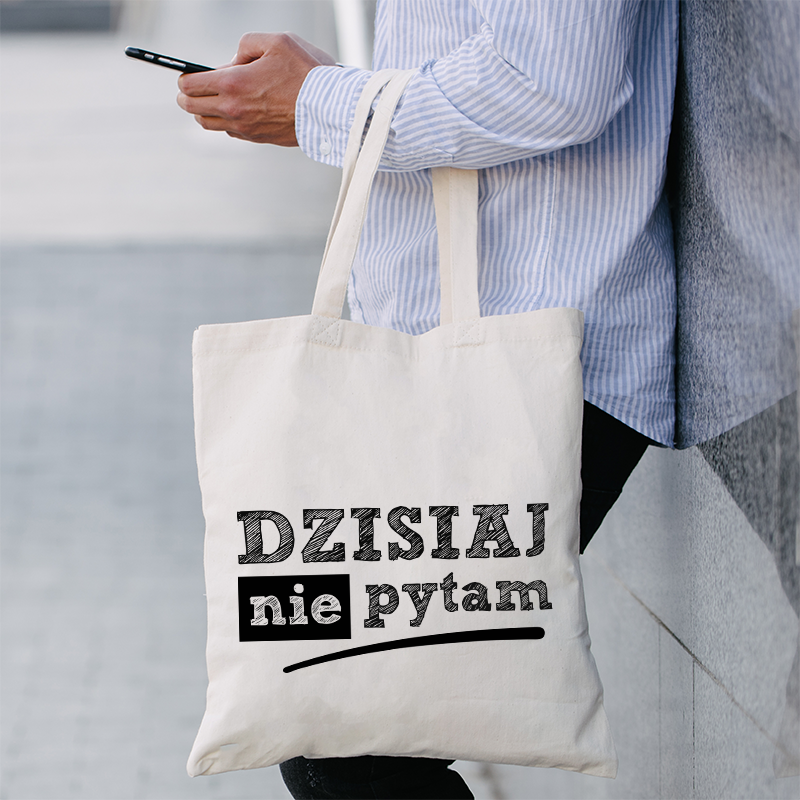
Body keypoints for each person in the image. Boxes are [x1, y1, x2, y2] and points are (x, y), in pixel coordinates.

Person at [177, 1, 678, 797]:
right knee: (336, 727)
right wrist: (341, 92)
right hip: (458, 342)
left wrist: (322, 101)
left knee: (346, 741)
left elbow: (552, 84)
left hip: (533, 347)